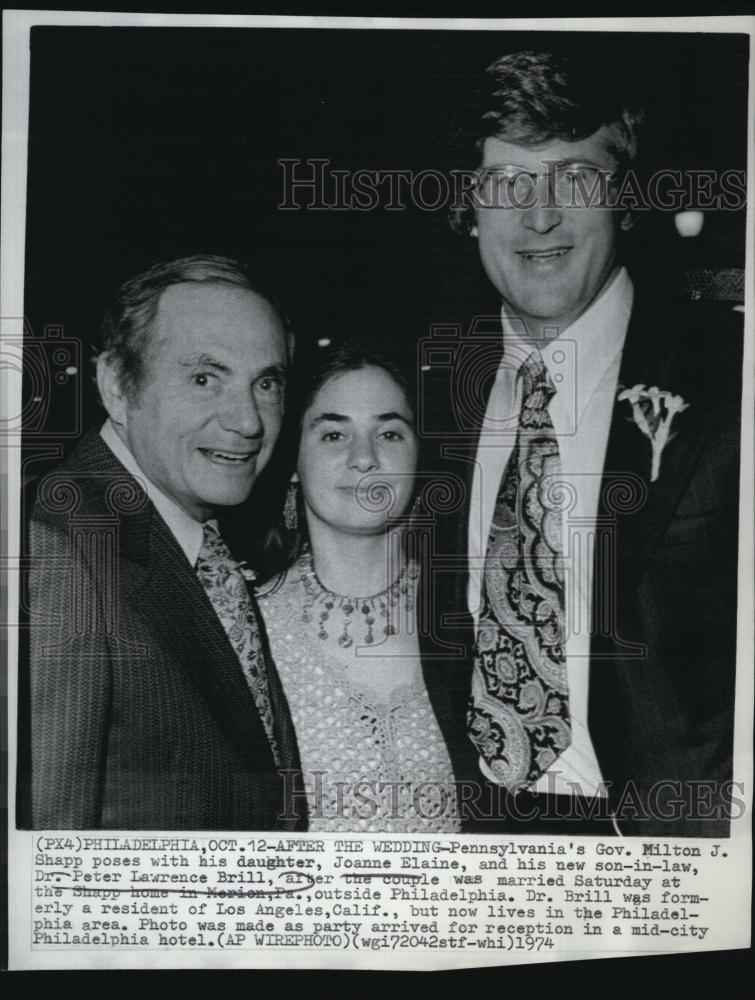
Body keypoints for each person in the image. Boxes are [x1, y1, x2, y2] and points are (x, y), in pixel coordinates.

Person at [428, 50, 742, 836]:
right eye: (505, 184)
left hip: (673, 856)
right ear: (467, 207)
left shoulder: (729, 377)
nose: (538, 217)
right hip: (475, 851)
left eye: (574, 179)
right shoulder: (425, 394)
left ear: (624, 199)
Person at [20, 253, 306, 830]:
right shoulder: (60, 549)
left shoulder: (189, 535)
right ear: (118, 386)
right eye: (205, 378)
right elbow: (47, 853)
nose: (249, 421)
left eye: (267, 383)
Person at [256, 343, 482, 833]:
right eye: (334, 434)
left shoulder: (476, 613)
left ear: (420, 456)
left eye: (390, 433)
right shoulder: (245, 629)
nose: (364, 458)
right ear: (293, 460)